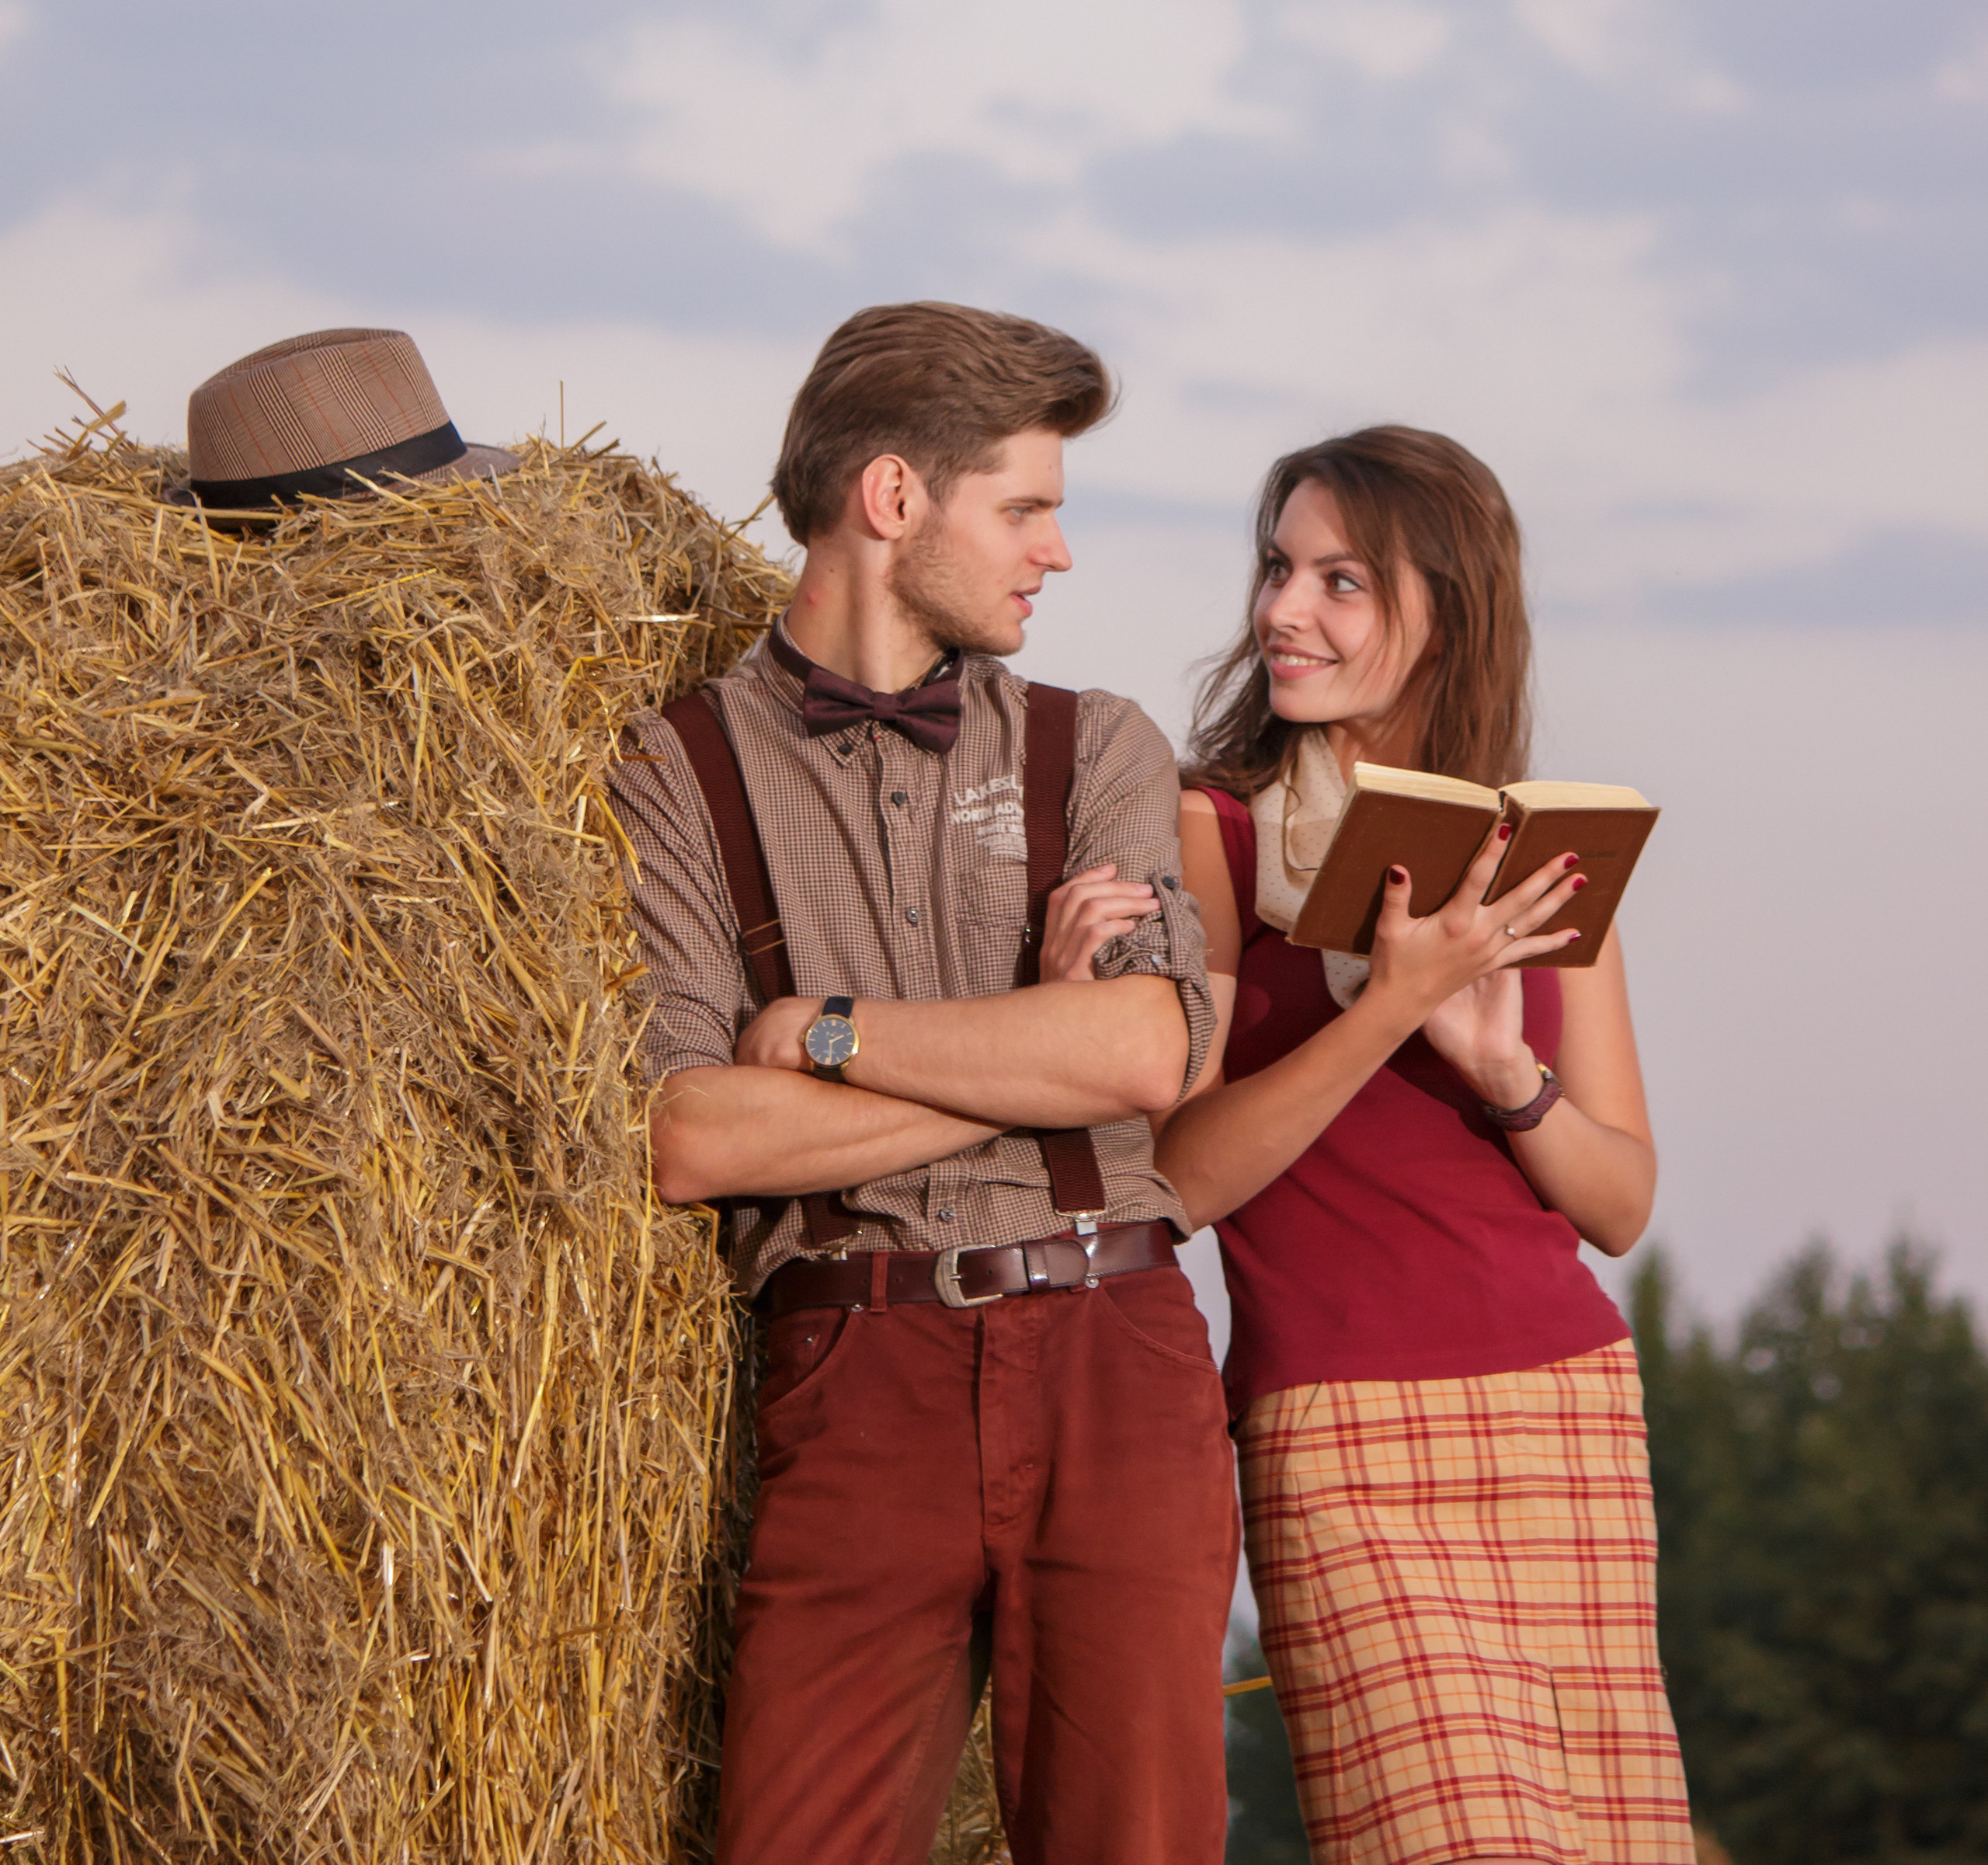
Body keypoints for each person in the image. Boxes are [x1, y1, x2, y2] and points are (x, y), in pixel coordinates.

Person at [610, 302, 1239, 1865]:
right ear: (893, 498)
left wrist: (824, 1034)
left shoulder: (1099, 747)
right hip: (852, 1366)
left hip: (1111, 1348)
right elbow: (693, 1136)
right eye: (1024, 509)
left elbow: (1142, 1053)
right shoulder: (675, 771)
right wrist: (1035, 1039)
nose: (1056, 552)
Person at [1150, 424, 1696, 1865]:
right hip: (1340, 1434)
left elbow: (1621, 1201)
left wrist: (1507, 1071)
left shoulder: (1543, 859)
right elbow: (1178, 1178)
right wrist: (1391, 1004)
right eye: (1279, 570)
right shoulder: (1211, 833)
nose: (1284, 610)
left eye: (1341, 581)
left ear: (1445, 614)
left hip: (1568, 1413)